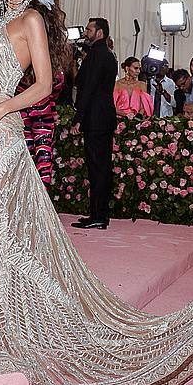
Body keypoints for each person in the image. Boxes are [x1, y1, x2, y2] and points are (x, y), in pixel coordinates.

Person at [0, 0, 193, 385]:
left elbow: (43, 86)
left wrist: (0, 112)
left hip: (2, 137)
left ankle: (19, 330)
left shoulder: (30, 21)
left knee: (1, 232)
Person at [70, 17, 118, 230]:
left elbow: (86, 88)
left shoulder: (97, 55)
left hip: (96, 118)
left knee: (98, 168)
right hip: (103, 117)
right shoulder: (105, 54)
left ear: (100, 33)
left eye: (89, 29)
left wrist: (78, 118)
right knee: (101, 167)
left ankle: (98, 216)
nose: (85, 32)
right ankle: (99, 214)